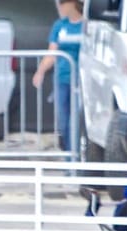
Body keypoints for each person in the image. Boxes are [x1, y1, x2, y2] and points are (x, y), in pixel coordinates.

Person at [32, 0, 84, 152]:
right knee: (63, 121)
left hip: (81, 81)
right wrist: (40, 71)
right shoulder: (59, 25)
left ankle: (75, 155)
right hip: (62, 79)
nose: (59, 7)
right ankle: (68, 154)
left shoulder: (86, 25)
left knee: (76, 120)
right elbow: (52, 53)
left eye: (62, 3)